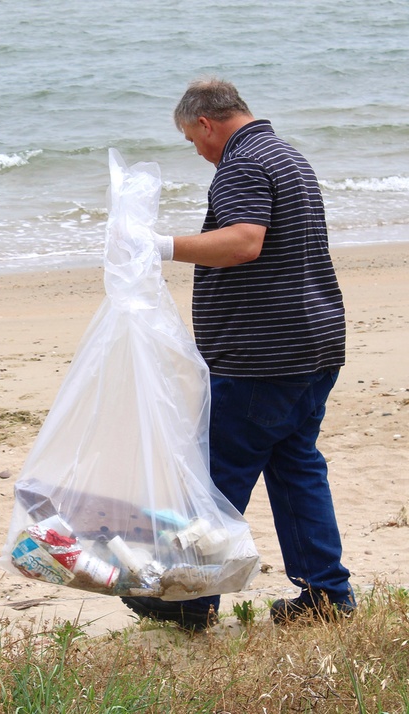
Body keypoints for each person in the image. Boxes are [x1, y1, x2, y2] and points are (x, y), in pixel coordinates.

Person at [121, 79, 355, 630]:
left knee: (215, 478)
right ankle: (326, 595)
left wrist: (159, 246)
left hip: (262, 357)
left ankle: (189, 601)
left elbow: (245, 240)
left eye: (191, 139)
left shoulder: (243, 164)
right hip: (313, 343)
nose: (198, 152)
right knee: (297, 467)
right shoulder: (286, 155)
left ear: (206, 123)